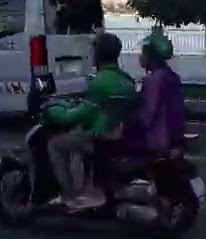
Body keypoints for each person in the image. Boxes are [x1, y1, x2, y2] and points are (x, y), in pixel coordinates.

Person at [44, 32, 137, 209]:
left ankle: (69, 195)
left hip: (100, 136)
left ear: (99, 53)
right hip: (118, 132)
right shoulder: (127, 80)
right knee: (76, 138)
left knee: (56, 145)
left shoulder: (100, 81)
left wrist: (53, 109)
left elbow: (74, 116)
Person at [122, 34, 186, 162]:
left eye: (143, 53)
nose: (140, 57)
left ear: (151, 57)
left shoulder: (155, 79)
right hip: (173, 137)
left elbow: (148, 114)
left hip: (157, 140)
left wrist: (126, 124)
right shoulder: (172, 76)